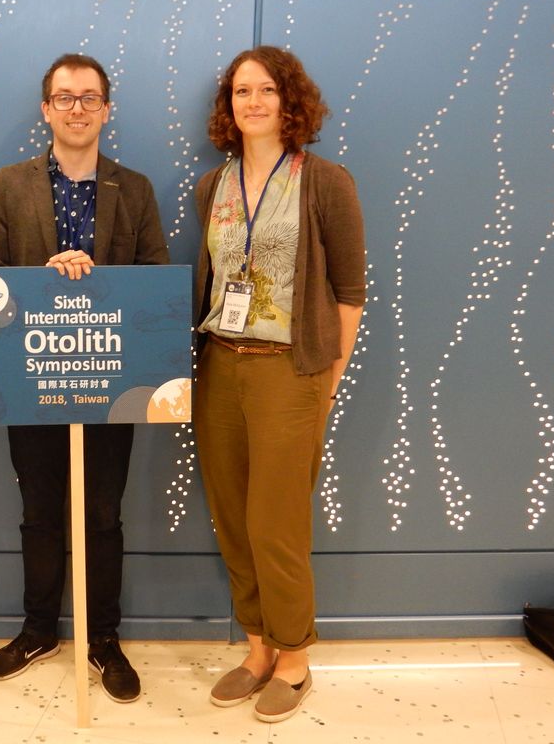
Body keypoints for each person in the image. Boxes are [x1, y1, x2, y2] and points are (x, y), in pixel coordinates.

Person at [0, 53, 169, 703]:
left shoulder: (133, 189)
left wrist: (99, 283)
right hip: (30, 380)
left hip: (112, 383)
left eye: (89, 98)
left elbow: (156, 283)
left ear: (107, 110)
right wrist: (40, 284)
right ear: (45, 109)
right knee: (39, 513)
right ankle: (38, 630)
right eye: (65, 98)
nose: (77, 109)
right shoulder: (9, 184)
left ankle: (104, 638)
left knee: (104, 516)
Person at [192, 46, 365, 722]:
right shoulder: (213, 186)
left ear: (290, 101)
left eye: (266, 90)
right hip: (218, 363)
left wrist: (330, 374)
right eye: (241, 92)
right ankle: (258, 646)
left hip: (291, 369)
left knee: (277, 520)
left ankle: (295, 658)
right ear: (228, 107)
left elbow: (349, 289)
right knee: (233, 515)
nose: (253, 102)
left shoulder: (325, 180)